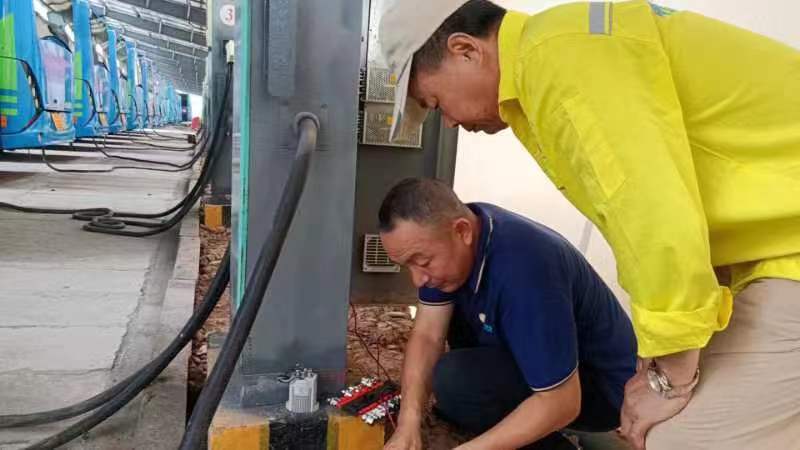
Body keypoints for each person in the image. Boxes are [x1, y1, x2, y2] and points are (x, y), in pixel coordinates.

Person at [379, 1, 800, 449]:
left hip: (786, 253)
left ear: (465, 50)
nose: (449, 122)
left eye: (436, 102)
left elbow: (653, 214)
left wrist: (670, 377)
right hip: (765, 251)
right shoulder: (557, 56)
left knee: (678, 438)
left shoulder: (561, 62)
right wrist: (663, 355)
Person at [378, 178, 636, 450]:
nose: (417, 279)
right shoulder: (455, 235)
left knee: (456, 380)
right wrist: (407, 424)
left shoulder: (526, 272)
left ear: (462, 231)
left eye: (423, 262)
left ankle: (566, 440)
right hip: (536, 360)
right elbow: (428, 335)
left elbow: (563, 401)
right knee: (456, 384)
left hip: (600, 389)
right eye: (408, 265)